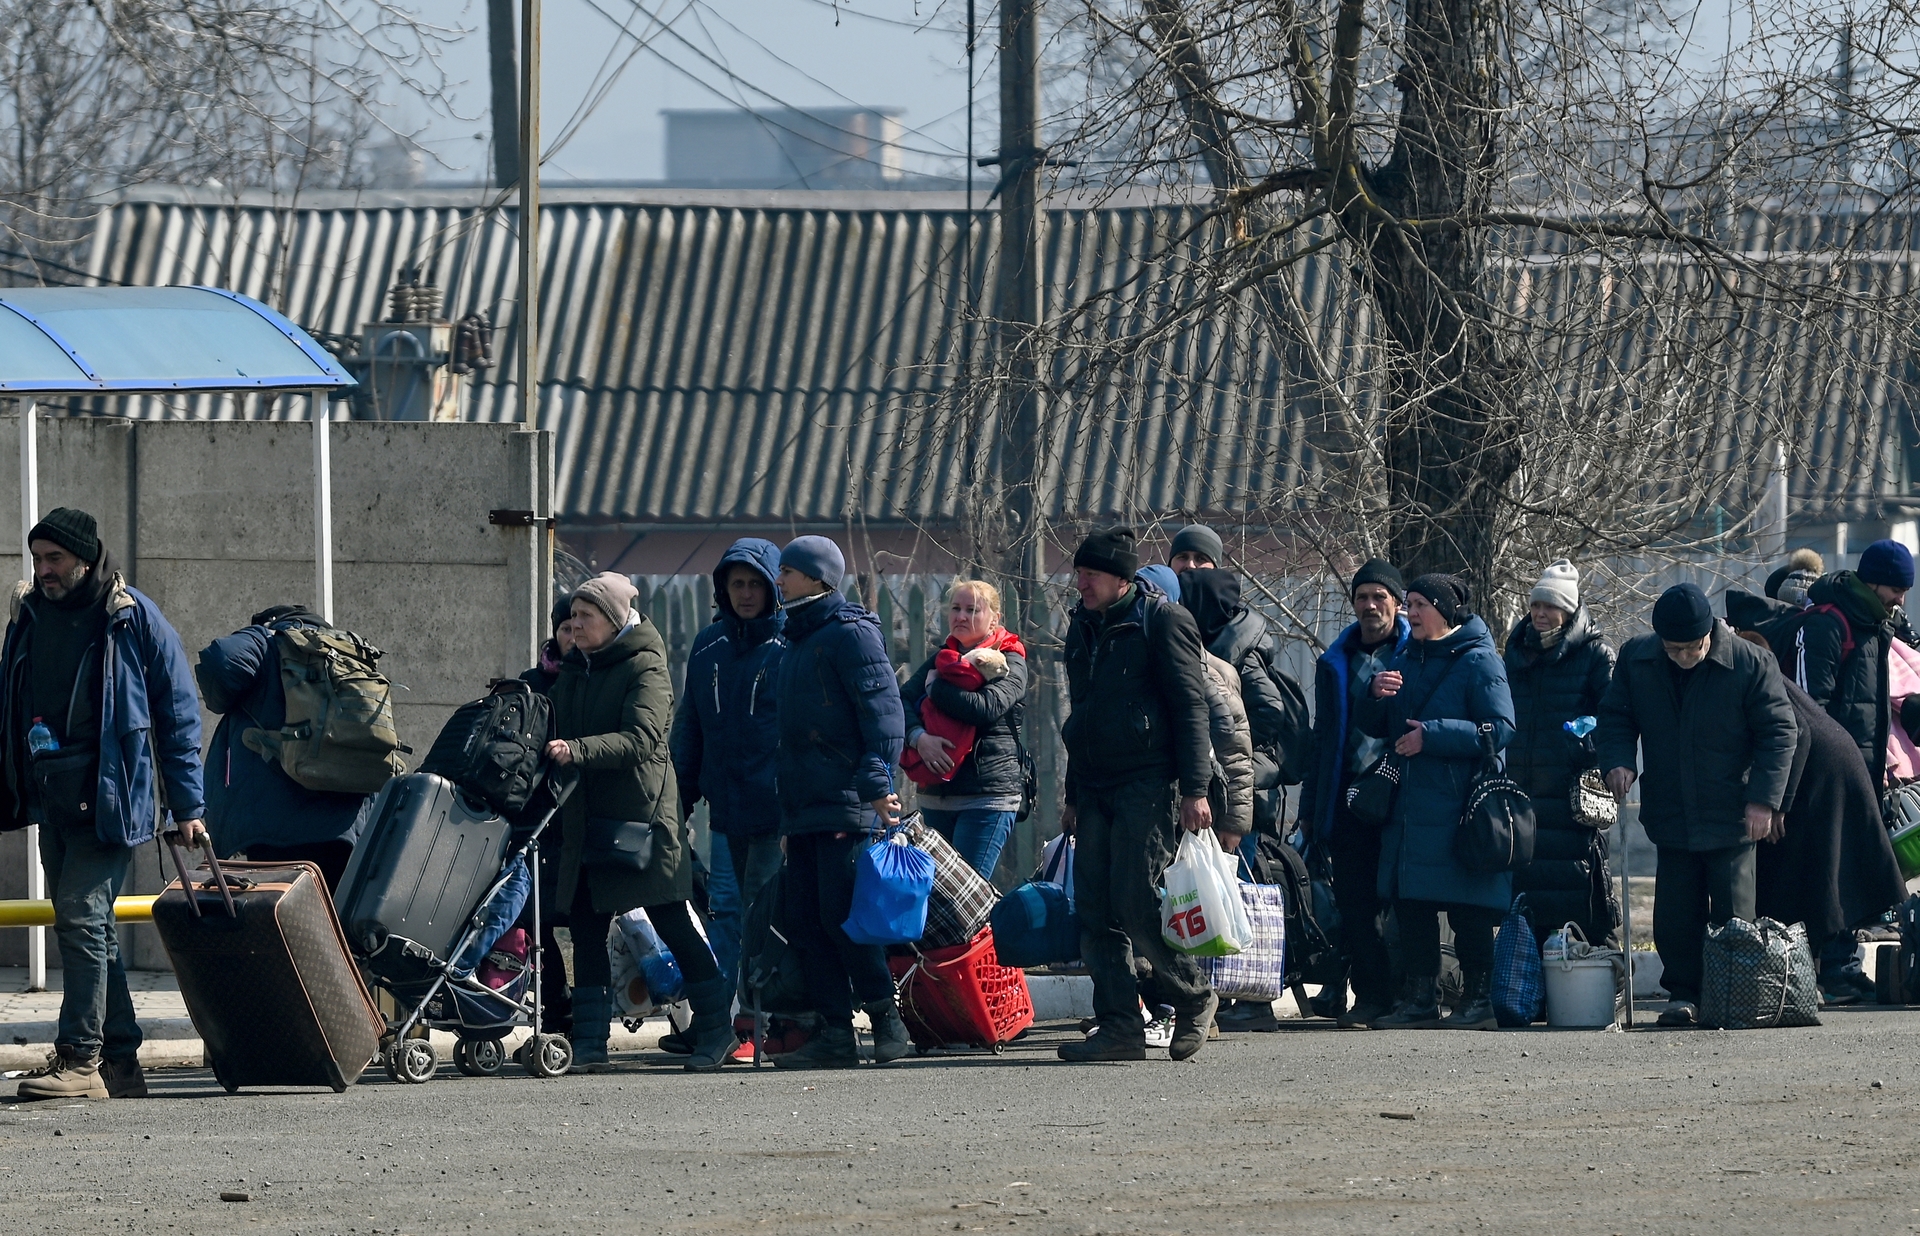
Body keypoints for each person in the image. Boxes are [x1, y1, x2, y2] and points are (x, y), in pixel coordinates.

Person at [2, 508, 205, 1100]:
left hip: (111, 798)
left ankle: (80, 1059)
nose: (44, 571)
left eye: (54, 559)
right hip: (51, 796)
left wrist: (187, 805)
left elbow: (178, 710)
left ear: (85, 558)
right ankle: (119, 1061)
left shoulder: (129, 616)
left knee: (81, 914)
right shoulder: (30, 614)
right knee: (89, 925)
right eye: (37, 559)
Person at [546, 572, 733, 1072]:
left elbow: (642, 740)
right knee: (586, 928)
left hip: (641, 821)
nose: (575, 624)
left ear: (612, 620)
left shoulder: (646, 665)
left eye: (585, 616)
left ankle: (716, 1030)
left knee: (673, 920)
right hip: (587, 819)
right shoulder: (575, 667)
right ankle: (587, 1043)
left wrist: (576, 751)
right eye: (572, 617)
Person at [1595, 582, 1797, 1028]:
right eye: (1674, 648)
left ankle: (1732, 994)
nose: (1684, 655)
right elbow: (1616, 716)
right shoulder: (1638, 658)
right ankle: (1683, 994)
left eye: (1692, 647)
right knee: (1674, 914)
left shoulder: (1750, 662)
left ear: (1711, 632)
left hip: (1732, 811)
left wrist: (1764, 801)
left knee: (1733, 914)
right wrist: (1618, 761)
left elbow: (1779, 733)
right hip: (1671, 808)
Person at [1058, 527, 1217, 1062]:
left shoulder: (1163, 621)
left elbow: (1191, 709)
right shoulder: (1082, 626)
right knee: (1096, 909)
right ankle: (1120, 1025)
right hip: (1097, 784)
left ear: (1121, 577)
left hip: (1149, 784)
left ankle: (1193, 997)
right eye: (1079, 572)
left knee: (1136, 900)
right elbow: (1079, 716)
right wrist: (1073, 793)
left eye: (1091, 574)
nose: (1080, 582)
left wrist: (1195, 789)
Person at [768, 536, 909, 1070]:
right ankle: (834, 1032)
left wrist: (877, 780)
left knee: (844, 918)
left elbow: (883, 714)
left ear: (819, 578)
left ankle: (886, 1021)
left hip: (847, 802)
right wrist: (786, 814)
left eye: (789, 572)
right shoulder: (795, 639)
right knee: (804, 920)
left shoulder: (850, 634)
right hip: (805, 806)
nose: (779, 581)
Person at [1726, 594, 1908, 1006]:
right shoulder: (1766, 672)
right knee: (1830, 873)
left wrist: (1778, 804)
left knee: (1821, 874)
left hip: (1825, 776)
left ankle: (1827, 977)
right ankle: (1829, 972)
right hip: (1835, 769)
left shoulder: (1753, 677)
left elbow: (1798, 735)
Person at [1358, 573, 1516, 1031]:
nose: (1410, 612)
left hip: (1460, 806)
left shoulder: (1480, 660)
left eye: (1419, 604)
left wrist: (1433, 736)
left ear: (1445, 611)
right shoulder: (1405, 657)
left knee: (1467, 907)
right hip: (1409, 807)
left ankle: (1479, 998)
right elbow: (1379, 725)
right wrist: (1373, 695)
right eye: (1408, 603)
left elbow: (1500, 728)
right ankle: (1420, 998)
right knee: (1413, 906)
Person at [670, 538, 787, 1059]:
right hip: (725, 811)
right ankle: (722, 1021)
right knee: (726, 916)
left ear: (772, 587)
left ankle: (758, 1024)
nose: (745, 594)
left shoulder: (788, 645)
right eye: (736, 583)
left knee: (763, 916)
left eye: (755, 583)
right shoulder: (709, 646)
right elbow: (690, 729)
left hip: (777, 811)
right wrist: (678, 799)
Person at [1300, 559, 1410, 1029]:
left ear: (1397, 604)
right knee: (1355, 902)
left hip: (1404, 797)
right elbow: (1324, 738)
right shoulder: (1336, 662)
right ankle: (1369, 997)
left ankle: (1411, 993)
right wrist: (1311, 806)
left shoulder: (1416, 653)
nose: (1370, 606)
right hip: (1348, 799)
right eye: (1362, 597)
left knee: (1406, 902)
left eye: (1379, 597)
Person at [195, 605, 375, 891]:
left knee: (275, 925)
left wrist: (259, 635)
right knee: (328, 928)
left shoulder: (268, 639)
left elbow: (219, 661)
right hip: (344, 828)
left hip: (275, 828)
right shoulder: (347, 652)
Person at [1503, 560, 1620, 948]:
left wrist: (1577, 739)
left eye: (1549, 607)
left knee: (1574, 883)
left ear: (1568, 610)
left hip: (1570, 795)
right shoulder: (1517, 652)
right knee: (1528, 889)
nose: (1539, 614)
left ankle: (1584, 969)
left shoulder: (1595, 654)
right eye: (1535, 606)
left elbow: (1612, 717)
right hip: (1522, 790)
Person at [1167, 524, 1309, 836]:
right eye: (1182, 557)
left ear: (1216, 566)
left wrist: (1218, 745)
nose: (1190, 566)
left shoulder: (1238, 635)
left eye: (1201, 558)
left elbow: (1268, 710)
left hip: (1234, 795)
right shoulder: (1162, 620)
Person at [899, 579, 1027, 881]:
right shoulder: (944, 658)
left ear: (994, 618)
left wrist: (936, 688)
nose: (961, 617)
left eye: (972, 610)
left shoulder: (1009, 660)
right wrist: (919, 739)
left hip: (986, 799)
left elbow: (985, 707)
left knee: (966, 903)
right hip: (935, 796)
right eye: (956, 609)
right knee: (936, 901)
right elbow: (899, 702)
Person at [1793, 539, 1914, 790]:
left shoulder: (1878, 627)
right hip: (1834, 783)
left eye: (1904, 592)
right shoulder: (1826, 626)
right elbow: (1808, 712)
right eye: (1896, 590)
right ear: (1872, 581)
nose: (1901, 601)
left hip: (1867, 780)